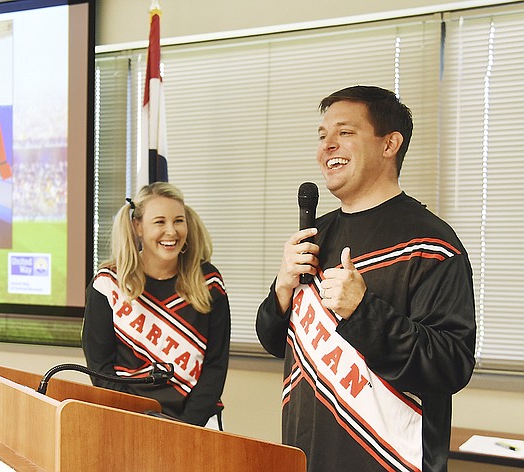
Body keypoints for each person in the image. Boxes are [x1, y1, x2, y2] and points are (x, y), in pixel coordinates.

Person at [256, 85, 476, 472]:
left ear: (390, 144)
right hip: (306, 454)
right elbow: (276, 342)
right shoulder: (314, 235)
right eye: (323, 136)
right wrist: (282, 290)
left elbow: (451, 364)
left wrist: (363, 312)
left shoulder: (432, 244)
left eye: (345, 133)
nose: (328, 146)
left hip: (391, 459)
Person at [82, 182, 231, 429]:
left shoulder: (209, 282)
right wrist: (137, 418)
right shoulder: (108, 284)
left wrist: (185, 425)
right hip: (127, 420)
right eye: (159, 222)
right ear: (138, 226)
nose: (171, 232)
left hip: (197, 422)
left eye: (178, 221)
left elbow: (216, 366)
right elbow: (100, 369)